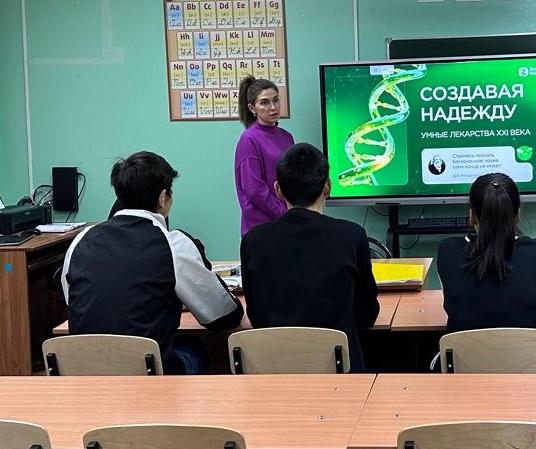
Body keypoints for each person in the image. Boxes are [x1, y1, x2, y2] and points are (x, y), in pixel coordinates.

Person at [62, 151, 244, 374]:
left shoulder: (80, 241)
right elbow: (223, 316)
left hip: (84, 376)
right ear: (162, 198)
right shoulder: (173, 245)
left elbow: (76, 301)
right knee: (196, 349)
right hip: (146, 376)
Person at [240, 142, 380, 372]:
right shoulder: (352, 235)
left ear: (278, 189)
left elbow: (256, 316)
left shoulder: (253, 241)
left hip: (273, 374)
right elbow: (367, 314)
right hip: (341, 374)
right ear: (328, 187)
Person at [437, 173, 536, 332]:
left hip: (465, 349)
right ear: (518, 215)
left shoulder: (448, 251)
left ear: (472, 216)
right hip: (527, 349)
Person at [235, 75, 294, 236]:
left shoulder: (286, 137)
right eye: (265, 102)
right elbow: (254, 190)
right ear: (252, 108)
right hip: (261, 228)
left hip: (286, 224)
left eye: (276, 100)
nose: (273, 107)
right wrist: (283, 213)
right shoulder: (249, 139)